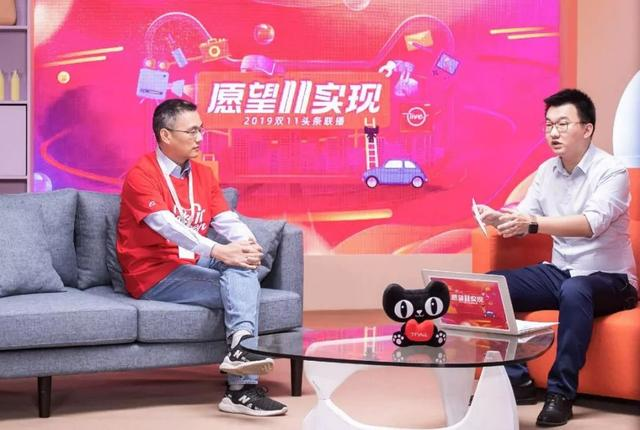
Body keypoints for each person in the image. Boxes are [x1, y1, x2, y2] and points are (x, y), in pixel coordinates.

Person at [116, 98, 287, 417]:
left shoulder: (203, 174)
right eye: (192, 131)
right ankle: (241, 390)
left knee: (242, 266)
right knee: (242, 287)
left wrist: (247, 244)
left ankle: (239, 349)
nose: (199, 138)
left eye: (201, 130)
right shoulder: (141, 175)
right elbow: (168, 226)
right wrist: (218, 250)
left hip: (193, 262)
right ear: (166, 135)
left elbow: (225, 218)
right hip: (154, 274)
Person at [477, 89, 638, 427]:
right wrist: (497, 218)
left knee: (576, 289)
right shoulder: (547, 170)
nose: (553, 132)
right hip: (561, 272)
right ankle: (517, 379)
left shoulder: (612, 171)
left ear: (587, 129)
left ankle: (561, 393)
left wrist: (533, 223)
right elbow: (523, 219)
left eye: (563, 124)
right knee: (492, 286)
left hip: (611, 279)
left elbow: (591, 224)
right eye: (549, 125)